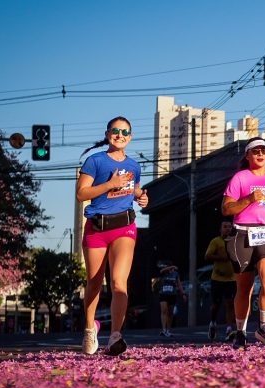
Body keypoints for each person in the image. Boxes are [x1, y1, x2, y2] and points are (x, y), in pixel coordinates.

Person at [76, 116, 148, 356]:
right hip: (97, 228)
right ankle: (89, 329)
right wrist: (110, 184)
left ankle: (115, 335)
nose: (120, 135)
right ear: (108, 134)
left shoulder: (134, 166)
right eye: (115, 131)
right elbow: (82, 193)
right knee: (95, 282)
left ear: (130, 137)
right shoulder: (94, 161)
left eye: (125, 132)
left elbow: (133, 188)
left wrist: (141, 197)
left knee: (119, 282)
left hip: (124, 227)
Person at [221, 137, 265, 349]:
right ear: (248, 155)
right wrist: (249, 199)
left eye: (264, 150)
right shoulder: (240, 178)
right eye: (255, 151)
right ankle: (240, 332)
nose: (260, 154)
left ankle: (264, 328)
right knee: (245, 288)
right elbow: (227, 209)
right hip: (243, 234)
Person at [204, 221, 237, 341]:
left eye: (229, 227)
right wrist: (222, 258)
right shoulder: (216, 241)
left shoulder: (234, 241)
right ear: (220, 229)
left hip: (231, 278)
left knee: (230, 304)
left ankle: (229, 329)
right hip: (217, 278)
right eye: (225, 227)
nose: (227, 229)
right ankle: (212, 322)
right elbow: (207, 256)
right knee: (215, 305)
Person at [155, 260, 185, 337]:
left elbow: (179, 284)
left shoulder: (175, 274)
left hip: (172, 294)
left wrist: (183, 294)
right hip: (163, 294)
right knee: (164, 310)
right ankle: (164, 330)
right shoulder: (163, 273)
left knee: (170, 312)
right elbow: (161, 271)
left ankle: (168, 330)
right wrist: (171, 267)